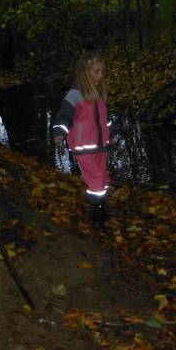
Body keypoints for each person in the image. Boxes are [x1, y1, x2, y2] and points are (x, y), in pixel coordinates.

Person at [52, 51, 111, 227]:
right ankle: (96, 214)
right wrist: (59, 132)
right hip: (84, 145)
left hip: (99, 144)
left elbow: (104, 117)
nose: (100, 75)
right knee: (96, 179)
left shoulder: (98, 92)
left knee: (103, 178)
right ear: (85, 72)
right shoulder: (75, 93)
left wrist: (110, 132)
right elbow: (65, 115)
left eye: (102, 71)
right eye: (96, 72)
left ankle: (101, 205)